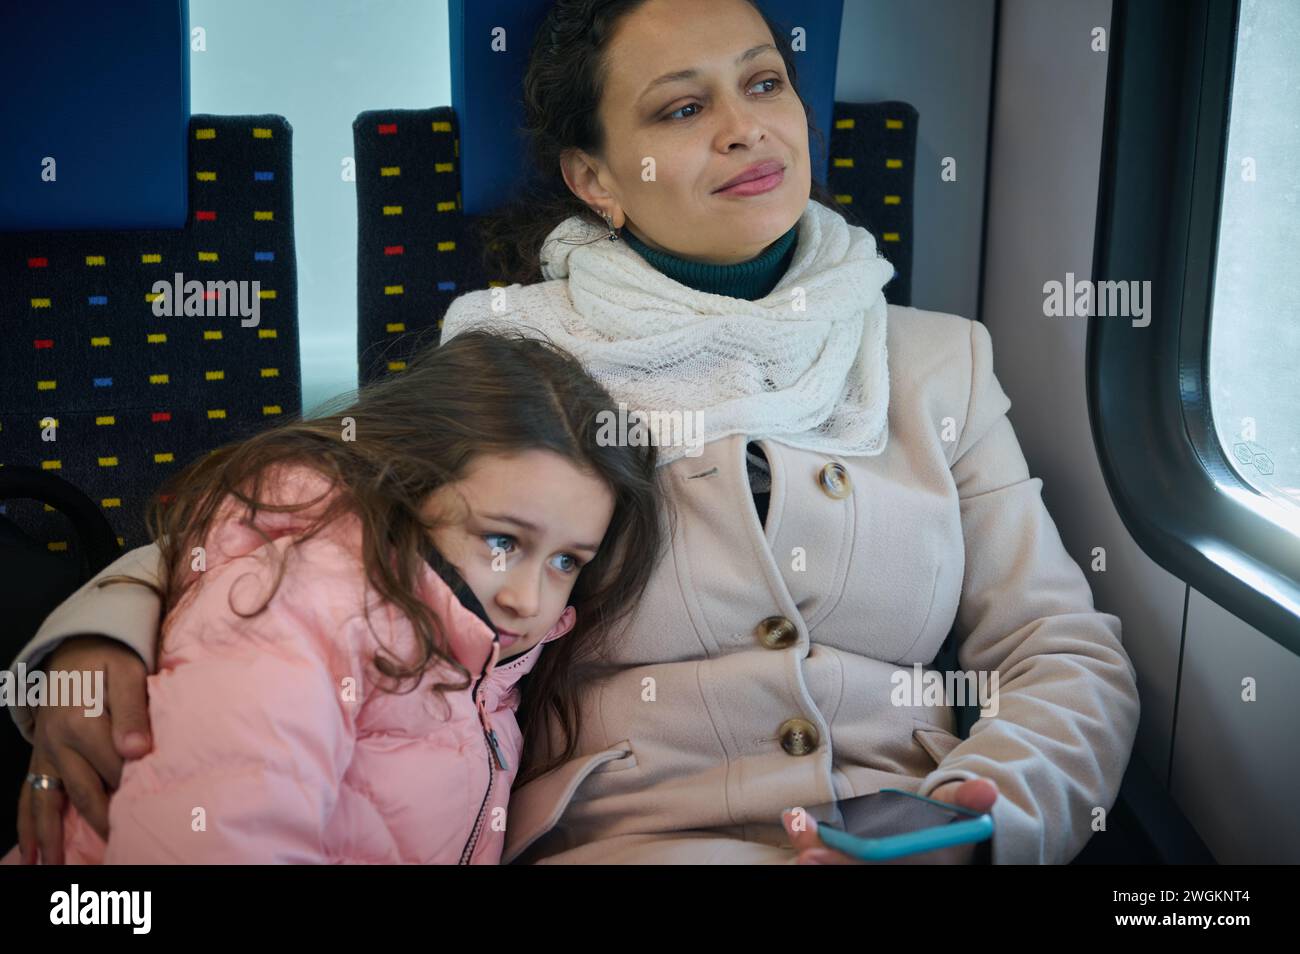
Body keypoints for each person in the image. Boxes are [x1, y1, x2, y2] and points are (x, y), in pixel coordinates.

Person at [9, 0, 1140, 865]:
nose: (748, 127)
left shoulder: (938, 362)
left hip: (912, 841)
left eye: (765, 82)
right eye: (683, 108)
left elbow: (1061, 652)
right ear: (594, 178)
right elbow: (283, 525)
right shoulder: (511, 364)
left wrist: (989, 819)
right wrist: (96, 639)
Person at [4, 329, 663, 863]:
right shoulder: (301, 603)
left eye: (566, 561)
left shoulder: (482, 665)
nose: (529, 597)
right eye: (502, 541)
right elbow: (220, 837)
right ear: (408, 483)